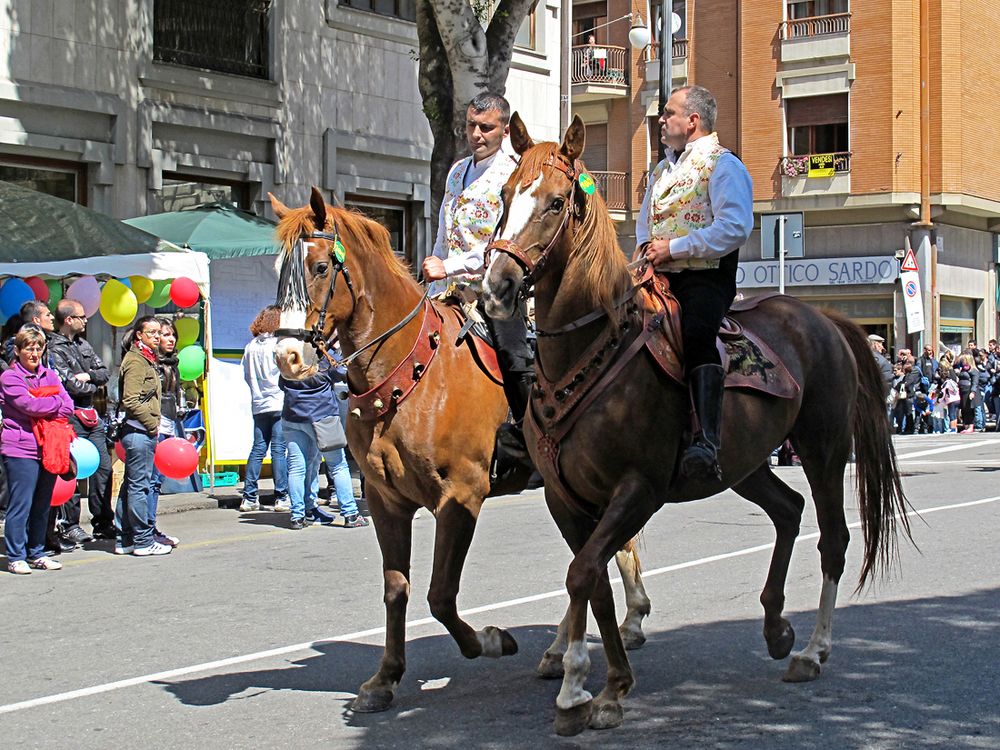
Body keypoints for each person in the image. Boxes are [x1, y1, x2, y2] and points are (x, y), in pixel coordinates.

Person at [635, 84, 754, 480]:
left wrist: (676, 248)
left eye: (668, 113)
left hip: (705, 277)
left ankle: (707, 439)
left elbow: (734, 227)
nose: (661, 120)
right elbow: (644, 225)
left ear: (693, 121)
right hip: (657, 276)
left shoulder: (723, 164)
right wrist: (645, 254)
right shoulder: (661, 169)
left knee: (697, 331)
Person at [420, 92, 534, 462]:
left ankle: (529, 436)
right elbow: (443, 232)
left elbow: (502, 245)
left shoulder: (513, 175)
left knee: (514, 354)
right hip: (448, 290)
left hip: (495, 289)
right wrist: (435, 273)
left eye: (486, 127)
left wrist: (449, 267)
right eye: (471, 125)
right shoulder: (456, 171)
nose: (477, 134)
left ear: (504, 129)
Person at [1, 326, 74, 573]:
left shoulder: (50, 375)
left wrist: (48, 402)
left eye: (38, 348)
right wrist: (53, 401)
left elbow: (68, 406)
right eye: (28, 349)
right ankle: (15, 556)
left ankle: (36, 552)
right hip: (20, 448)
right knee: (21, 503)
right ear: (18, 350)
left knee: (42, 504)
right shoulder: (9, 377)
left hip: (49, 447)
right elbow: (27, 405)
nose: (34, 353)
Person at [47, 299, 114, 543]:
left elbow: (104, 372)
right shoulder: (54, 348)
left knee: (103, 467)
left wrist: (89, 376)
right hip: (69, 416)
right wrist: (87, 382)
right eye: (81, 316)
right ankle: (70, 524)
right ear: (69, 320)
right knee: (71, 472)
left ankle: (103, 521)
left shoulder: (83, 344)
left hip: (90, 414)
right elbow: (70, 385)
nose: (86, 320)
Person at [279, 355, 368, 529]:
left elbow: (281, 384)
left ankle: (298, 515)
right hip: (323, 418)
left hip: (293, 417)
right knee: (338, 465)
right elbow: (343, 373)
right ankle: (350, 513)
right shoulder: (323, 363)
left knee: (297, 467)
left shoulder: (288, 364)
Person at [115, 316, 171, 556]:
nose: (157, 336)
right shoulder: (136, 360)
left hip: (140, 430)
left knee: (131, 485)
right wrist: (151, 425)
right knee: (140, 487)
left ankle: (124, 539)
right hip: (138, 431)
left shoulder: (147, 359)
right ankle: (142, 540)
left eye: (159, 332)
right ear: (139, 334)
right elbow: (130, 399)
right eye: (152, 332)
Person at [240, 305, 289, 513]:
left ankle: (249, 496)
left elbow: (245, 373)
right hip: (278, 401)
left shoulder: (251, 346)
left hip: (259, 403)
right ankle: (281, 496)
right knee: (279, 450)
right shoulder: (278, 344)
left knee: (258, 448)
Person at [145, 317, 183, 547]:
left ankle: (150, 526)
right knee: (150, 480)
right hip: (155, 423)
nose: (169, 339)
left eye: (172, 335)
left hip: (169, 421)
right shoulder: (153, 363)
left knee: (157, 480)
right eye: (164, 335)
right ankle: (145, 529)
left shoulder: (172, 363)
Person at [869, 334, 894, 399]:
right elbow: (886, 384)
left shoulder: (859, 358)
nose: (882, 347)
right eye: (881, 344)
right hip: (876, 399)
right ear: (876, 345)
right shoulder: (882, 361)